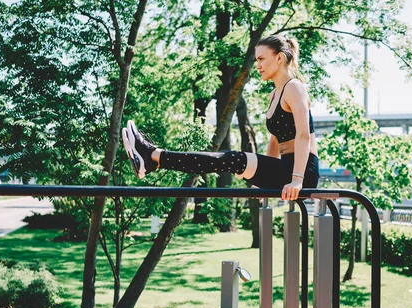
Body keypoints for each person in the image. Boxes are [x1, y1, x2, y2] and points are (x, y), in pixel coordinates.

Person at [122, 35, 320, 201]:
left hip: (303, 171)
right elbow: (275, 139)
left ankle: (153, 156)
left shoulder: (295, 87)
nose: (257, 65)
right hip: (285, 168)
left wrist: (297, 180)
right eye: (256, 60)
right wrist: (263, 180)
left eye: (261, 59)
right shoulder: (275, 94)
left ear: (278, 58)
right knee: (230, 160)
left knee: (233, 159)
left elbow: (304, 135)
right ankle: (152, 159)